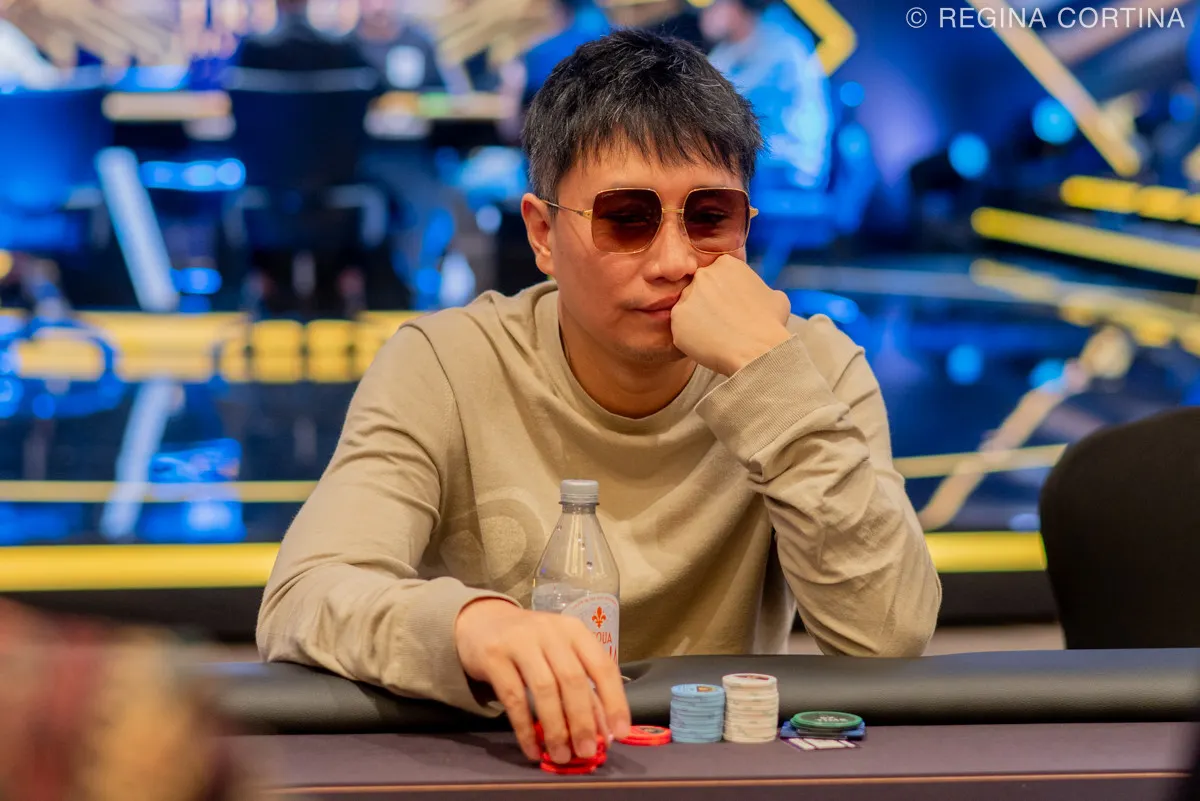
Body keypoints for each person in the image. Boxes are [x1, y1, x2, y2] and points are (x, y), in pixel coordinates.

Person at [257, 29, 941, 768]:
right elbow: (305, 596)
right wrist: (474, 625)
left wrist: (766, 377)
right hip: (503, 766)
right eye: (627, 219)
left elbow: (887, 639)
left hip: (717, 773)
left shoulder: (809, 370)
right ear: (542, 233)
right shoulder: (446, 364)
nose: (674, 261)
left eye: (710, 218)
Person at [701, 0, 834, 192]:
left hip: (788, 165)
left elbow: (728, 94)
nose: (707, 12)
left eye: (716, 4)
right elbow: (702, 81)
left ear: (736, 6)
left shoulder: (781, 42)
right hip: (764, 161)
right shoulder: (736, 46)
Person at [232, 0, 371, 73]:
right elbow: (375, 85)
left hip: (267, 121)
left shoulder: (253, 51)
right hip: (328, 121)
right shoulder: (342, 50)